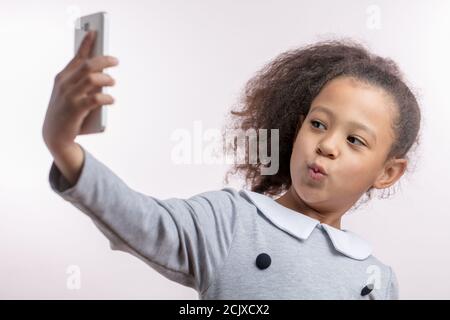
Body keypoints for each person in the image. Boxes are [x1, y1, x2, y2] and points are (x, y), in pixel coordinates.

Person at [42, 31, 421, 299]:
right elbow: (143, 221)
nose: (326, 145)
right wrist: (62, 145)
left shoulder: (377, 279)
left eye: (355, 140)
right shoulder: (233, 220)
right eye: (318, 124)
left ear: (388, 172)